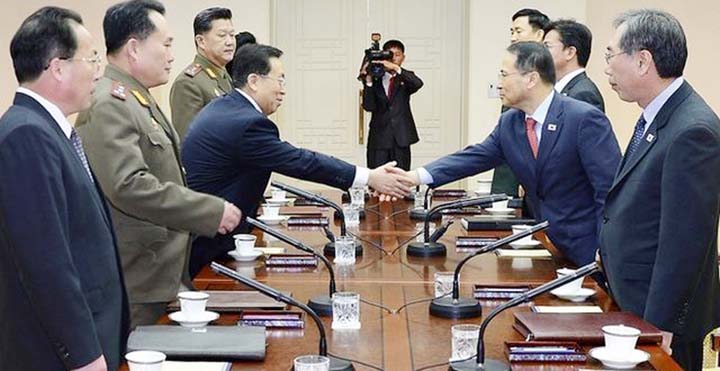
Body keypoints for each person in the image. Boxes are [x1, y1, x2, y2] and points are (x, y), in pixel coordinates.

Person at [76, 0, 241, 329]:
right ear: (134, 48)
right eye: (165, 44)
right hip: (138, 278)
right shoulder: (110, 102)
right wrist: (208, 211)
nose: (170, 55)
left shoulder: (137, 97)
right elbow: (129, 185)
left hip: (160, 272)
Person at [182, 43, 414, 277]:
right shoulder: (246, 123)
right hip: (210, 244)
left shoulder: (227, 108)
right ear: (254, 81)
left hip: (208, 231)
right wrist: (369, 177)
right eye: (279, 80)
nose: (283, 90)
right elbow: (301, 161)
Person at [390, 41, 620, 267]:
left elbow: (608, 191)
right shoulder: (511, 122)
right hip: (551, 247)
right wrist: (415, 177)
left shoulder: (583, 119)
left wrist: (606, 248)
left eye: (503, 75)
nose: (498, 84)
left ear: (531, 78)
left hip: (591, 250)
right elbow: (474, 157)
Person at [0, 7, 128, 371]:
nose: (99, 70)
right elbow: (46, 264)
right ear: (57, 67)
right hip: (56, 355)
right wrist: (84, 354)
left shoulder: (52, 131)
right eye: (91, 59)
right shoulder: (26, 135)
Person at [599, 9, 720, 370]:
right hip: (631, 300)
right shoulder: (657, 115)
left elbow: (685, 243)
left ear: (642, 61)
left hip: (661, 319)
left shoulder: (692, 131)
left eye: (610, 55)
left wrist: (660, 325)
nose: (605, 67)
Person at [493, 8, 551, 199]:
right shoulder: (514, 69)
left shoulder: (548, 76)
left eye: (519, 31)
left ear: (539, 34)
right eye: (512, 32)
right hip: (510, 173)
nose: (513, 37)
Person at [170, 7, 235, 141]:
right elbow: (189, 142)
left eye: (232, 35)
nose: (230, 42)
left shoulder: (223, 75)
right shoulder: (188, 83)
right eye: (222, 35)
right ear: (201, 41)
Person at [361, 39, 423, 171]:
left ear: (403, 57)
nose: (394, 58)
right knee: (376, 180)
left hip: (401, 138)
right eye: (390, 54)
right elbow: (368, 106)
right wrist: (368, 80)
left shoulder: (405, 78)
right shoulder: (375, 77)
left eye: (397, 54)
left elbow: (418, 84)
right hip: (379, 139)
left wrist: (395, 68)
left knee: (401, 179)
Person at [543, 19, 605, 112]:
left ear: (570, 52)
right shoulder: (555, 88)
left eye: (547, 46)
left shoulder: (584, 94)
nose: (541, 52)